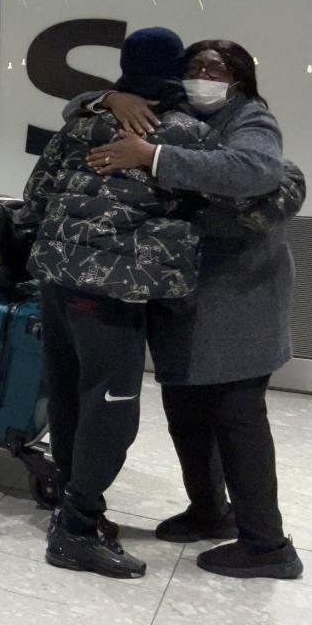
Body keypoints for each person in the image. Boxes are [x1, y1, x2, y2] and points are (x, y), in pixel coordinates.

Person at [77, 39, 305, 579]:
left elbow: (254, 171)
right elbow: (76, 104)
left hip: (239, 296)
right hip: (183, 294)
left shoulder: (250, 119)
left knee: (237, 417)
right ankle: (210, 509)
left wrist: (153, 156)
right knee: (185, 412)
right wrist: (110, 97)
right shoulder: (169, 110)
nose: (204, 75)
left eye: (217, 68)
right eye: (195, 67)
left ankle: (268, 545)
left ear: (240, 78)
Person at [21, 27, 223, 579]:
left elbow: (36, 197)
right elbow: (225, 202)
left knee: (67, 394)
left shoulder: (82, 121)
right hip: (111, 292)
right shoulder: (185, 133)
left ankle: (68, 496)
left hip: (58, 280)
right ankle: (77, 531)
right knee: (111, 407)